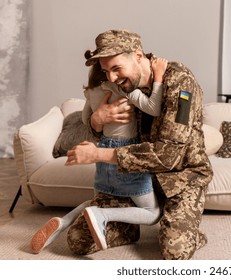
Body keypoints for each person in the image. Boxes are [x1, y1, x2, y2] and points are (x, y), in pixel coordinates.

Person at [65, 29, 213, 260]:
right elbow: (102, 136)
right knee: (79, 241)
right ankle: (129, 228)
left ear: (137, 55)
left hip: (181, 176)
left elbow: (169, 155)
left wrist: (98, 155)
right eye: (106, 71)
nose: (111, 78)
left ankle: (183, 230)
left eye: (116, 68)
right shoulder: (119, 87)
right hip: (135, 177)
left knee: (175, 251)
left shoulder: (179, 81)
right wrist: (97, 121)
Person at [29, 53, 167, 254]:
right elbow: (153, 108)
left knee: (98, 201)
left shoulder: (92, 92)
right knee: (152, 213)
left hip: (101, 153)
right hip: (123, 154)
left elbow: (87, 120)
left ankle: (64, 220)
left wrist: (98, 116)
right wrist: (159, 78)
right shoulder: (123, 88)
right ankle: (101, 215)